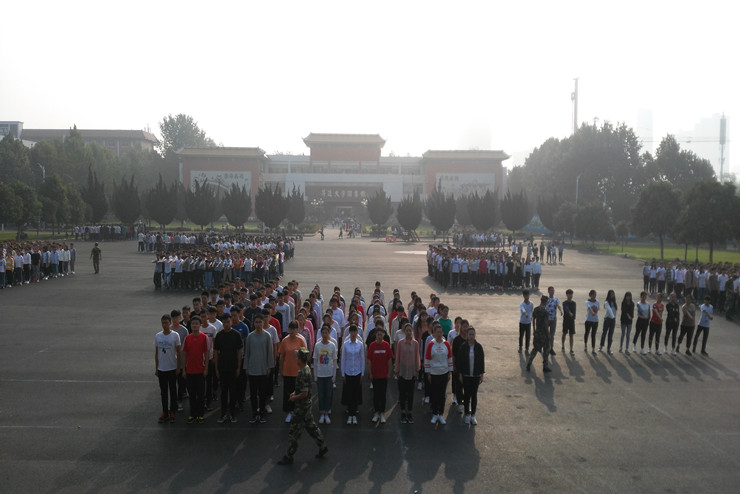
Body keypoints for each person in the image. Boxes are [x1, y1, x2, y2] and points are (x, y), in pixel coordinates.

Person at [277, 347, 328, 465]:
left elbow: (304, 393)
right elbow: (303, 388)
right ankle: (322, 446)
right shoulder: (306, 369)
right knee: (311, 427)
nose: (296, 359)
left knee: (294, 432)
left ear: (300, 359)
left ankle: (289, 455)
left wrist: (294, 398)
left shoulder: (302, 373)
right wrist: (295, 392)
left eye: (297, 357)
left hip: (301, 407)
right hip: (306, 405)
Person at [213, 314, 243, 424]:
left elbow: (239, 352)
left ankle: (232, 413)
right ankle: (223, 413)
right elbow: (216, 352)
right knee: (223, 392)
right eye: (224, 322)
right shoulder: (219, 335)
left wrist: (238, 367)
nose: (226, 324)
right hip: (222, 368)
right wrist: (216, 368)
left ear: (231, 322)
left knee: (233, 392)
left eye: (228, 322)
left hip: (233, 368)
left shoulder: (236, 335)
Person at [244, 314, 274, 424]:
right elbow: (247, 353)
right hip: (252, 370)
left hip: (263, 370)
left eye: (260, 322)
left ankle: (261, 412)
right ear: (254, 323)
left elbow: (270, 352)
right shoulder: (250, 336)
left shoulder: (267, 336)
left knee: (262, 393)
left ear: (263, 322)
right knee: (253, 394)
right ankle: (254, 412)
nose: (258, 324)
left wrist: (269, 366)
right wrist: (246, 367)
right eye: (256, 322)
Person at [181, 316, 209, 424]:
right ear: (191, 325)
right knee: (192, 395)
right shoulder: (187, 338)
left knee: (201, 395)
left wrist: (206, 369)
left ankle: (200, 415)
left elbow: (207, 354)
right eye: (193, 324)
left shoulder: (204, 337)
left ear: (200, 325)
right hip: (190, 371)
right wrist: (184, 370)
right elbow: (184, 354)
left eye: (197, 323)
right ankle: (192, 414)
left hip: (200, 371)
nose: (195, 325)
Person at [278, 321, 307, 423]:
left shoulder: (301, 340)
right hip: (287, 371)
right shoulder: (285, 341)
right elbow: (282, 357)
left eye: (294, 329)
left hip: (298, 372)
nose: (292, 331)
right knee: (288, 393)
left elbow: (304, 357)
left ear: (297, 330)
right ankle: (289, 412)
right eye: (291, 329)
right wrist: (281, 370)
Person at [425, 322, 453, 425]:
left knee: (442, 394)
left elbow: (449, 358)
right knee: (434, 394)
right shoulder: (431, 344)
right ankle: (434, 413)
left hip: (444, 373)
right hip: (434, 373)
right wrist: (428, 373)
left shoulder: (446, 344)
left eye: (441, 332)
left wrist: (449, 372)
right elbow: (427, 359)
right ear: (434, 333)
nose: (439, 334)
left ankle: (441, 414)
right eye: (437, 332)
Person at [155, 314, 181, 424]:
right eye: (163, 323)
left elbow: (179, 352)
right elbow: (157, 353)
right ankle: (165, 412)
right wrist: (157, 368)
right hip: (162, 369)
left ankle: (172, 411)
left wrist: (178, 367)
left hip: (172, 368)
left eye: (166, 323)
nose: (164, 325)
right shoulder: (158, 336)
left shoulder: (175, 335)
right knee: (163, 392)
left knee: (173, 391)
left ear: (170, 323)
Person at [456, 326, 484, 425]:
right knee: (467, 395)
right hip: (466, 375)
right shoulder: (463, 347)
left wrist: (481, 374)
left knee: (474, 395)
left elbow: (481, 361)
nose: (471, 336)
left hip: (476, 375)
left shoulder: (479, 347)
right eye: (470, 334)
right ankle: (467, 414)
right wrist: (460, 374)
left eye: (473, 334)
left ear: (475, 335)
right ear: (467, 335)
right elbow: (459, 362)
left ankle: (473, 415)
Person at [366, 325, 393, 424]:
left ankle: (382, 412)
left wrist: (389, 372)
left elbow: (389, 360)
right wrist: (370, 373)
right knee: (376, 394)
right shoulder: (372, 346)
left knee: (383, 394)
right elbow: (369, 360)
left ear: (384, 335)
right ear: (376, 335)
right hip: (375, 375)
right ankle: (376, 412)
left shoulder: (386, 345)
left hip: (384, 375)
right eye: (378, 334)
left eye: (381, 334)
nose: (379, 336)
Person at [394, 322, 420, 424]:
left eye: (410, 330)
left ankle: (409, 413)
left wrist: (417, 370)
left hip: (412, 371)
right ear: (404, 332)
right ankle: (403, 413)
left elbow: (417, 357)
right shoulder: (400, 343)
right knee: (402, 393)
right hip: (403, 371)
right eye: (407, 330)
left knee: (410, 394)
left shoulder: (415, 343)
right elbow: (397, 357)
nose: (409, 332)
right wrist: (397, 370)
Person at [313, 324, 337, 424]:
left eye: (326, 333)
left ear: (328, 333)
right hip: (320, 374)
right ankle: (321, 412)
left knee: (328, 394)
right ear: (321, 334)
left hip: (329, 374)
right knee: (321, 394)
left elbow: (335, 361)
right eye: (323, 333)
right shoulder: (317, 345)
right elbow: (315, 361)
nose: (324, 334)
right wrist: (315, 375)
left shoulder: (332, 345)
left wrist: (334, 375)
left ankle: (327, 412)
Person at [340, 324, 365, 424]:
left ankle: (354, 414)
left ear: (357, 333)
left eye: (355, 331)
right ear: (349, 333)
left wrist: (362, 373)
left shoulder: (360, 344)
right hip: (348, 372)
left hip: (357, 372)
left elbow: (362, 359)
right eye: (352, 331)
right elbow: (343, 359)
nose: (353, 333)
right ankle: (350, 414)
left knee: (355, 393)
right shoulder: (346, 344)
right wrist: (343, 373)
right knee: (349, 393)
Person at [526, 296, 552, 373]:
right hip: (543, 333)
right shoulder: (545, 312)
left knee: (535, 349)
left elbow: (533, 319)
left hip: (537, 332)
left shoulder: (536, 309)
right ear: (546, 302)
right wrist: (548, 334)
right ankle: (545, 366)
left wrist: (534, 330)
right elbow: (546, 323)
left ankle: (529, 362)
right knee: (546, 349)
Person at [545, 287, 563, 356]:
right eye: (551, 290)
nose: (552, 291)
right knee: (546, 334)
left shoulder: (556, 299)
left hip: (553, 319)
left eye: (553, 290)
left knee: (552, 335)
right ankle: (545, 348)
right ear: (548, 291)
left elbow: (558, 305)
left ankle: (551, 348)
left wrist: (560, 310)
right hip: (546, 319)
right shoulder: (546, 299)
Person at [599, 290, 617, 354]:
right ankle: (601, 346)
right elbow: (609, 310)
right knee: (604, 333)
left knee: (610, 335)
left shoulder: (614, 303)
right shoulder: (606, 302)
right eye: (611, 294)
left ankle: (608, 348)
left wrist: (614, 318)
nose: (612, 295)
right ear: (608, 295)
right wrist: (613, 317)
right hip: (607, 319)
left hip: (613, 320)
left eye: (613, 294)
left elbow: (615, 311)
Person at [518, 290, 534, 354]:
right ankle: (520, 347)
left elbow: (532, 311)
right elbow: (523, 310)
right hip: (522, 322)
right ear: (523, 296)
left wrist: (531, 317)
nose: (527, 296)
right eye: (526, 295)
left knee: (528, 336)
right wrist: (525, 314)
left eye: (528, 295)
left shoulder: (531, 303)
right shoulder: (522, 304)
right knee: (521, 335)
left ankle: (527, 349)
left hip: (528, 322)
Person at [561, 289, 576, 354]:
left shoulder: (574, 303)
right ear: (567, 295)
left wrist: (574, 318)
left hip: (571, 321)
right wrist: (569, 312)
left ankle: (571, 349)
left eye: (571, 294)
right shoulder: (564, 303)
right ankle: (563, 346)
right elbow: (566, 308)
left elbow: (574, 311)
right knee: (564, 333)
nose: (570, 296)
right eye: (569, 294)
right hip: (566, 321)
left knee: (571, 335)